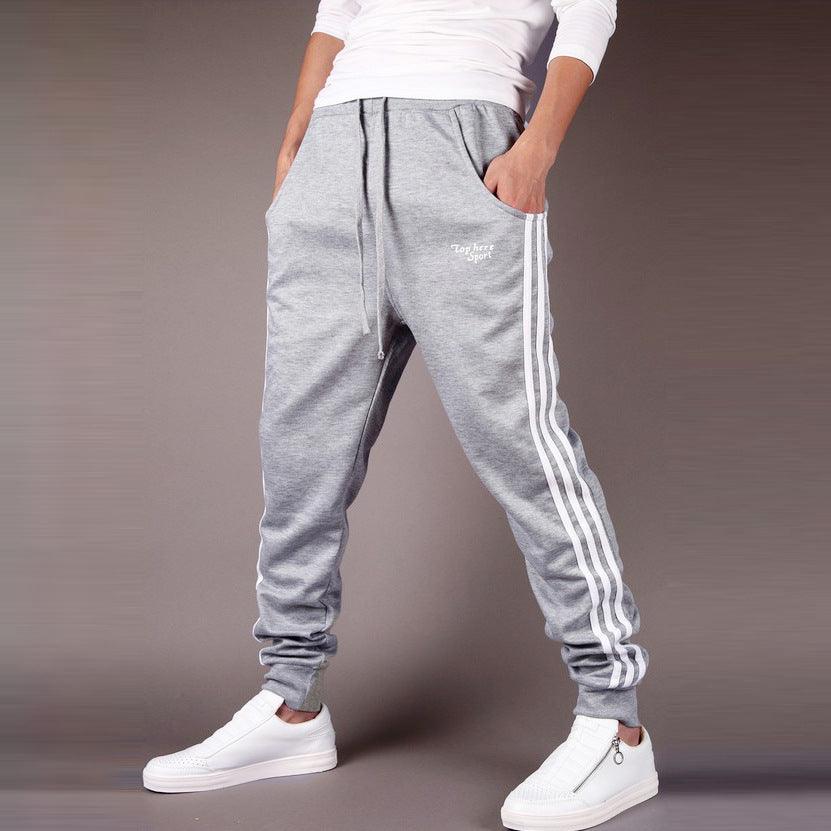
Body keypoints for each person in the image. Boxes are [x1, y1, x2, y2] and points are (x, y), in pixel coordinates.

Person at [143, 2, 658, 828]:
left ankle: (615, 719)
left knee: (519, 439)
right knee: (299, 447)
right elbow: (339, 12)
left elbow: (589, 15)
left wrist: (534, 151)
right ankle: (289, 704)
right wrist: (297, 140)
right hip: (332, 159)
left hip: (461, 156)